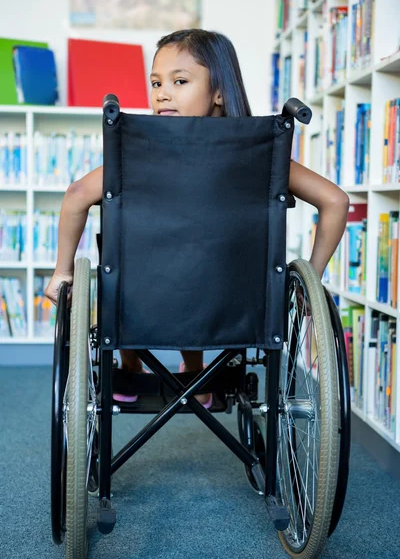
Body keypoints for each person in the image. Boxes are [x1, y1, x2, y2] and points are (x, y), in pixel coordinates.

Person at [44, 28, 350, 405]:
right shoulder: (262, 156)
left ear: (219, 91)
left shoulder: (138, 151)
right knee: (201, 264)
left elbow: (76, 195)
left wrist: (62, 272)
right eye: (156, 83)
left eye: (180, 80)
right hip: (233, 306)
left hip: (143, 299)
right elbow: (335, 200)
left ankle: (129, 370)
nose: (162, 93)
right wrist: (312, 280)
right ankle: (198, 379)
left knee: (125, 259)